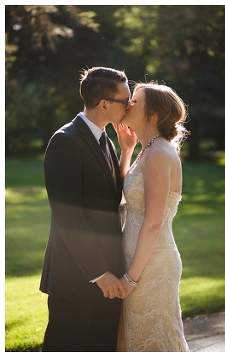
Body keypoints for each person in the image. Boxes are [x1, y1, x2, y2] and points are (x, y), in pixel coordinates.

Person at [40, 66, 130, 351]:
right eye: (124, 100)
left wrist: (127, 151)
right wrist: (99, 272)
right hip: (76, 277)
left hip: (108, 275)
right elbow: (68, 215)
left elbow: (112, 197)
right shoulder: (65, 141)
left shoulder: (106, 139)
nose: (129, 106)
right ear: (104, 104)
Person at [114, 82, 190, 351]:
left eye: (135, 101)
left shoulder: (159, 153)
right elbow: (123, 198)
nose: (128, 104)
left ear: (153, 114)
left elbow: (153, 222)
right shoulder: (147, 150)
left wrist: (130, 278)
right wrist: (126, 151)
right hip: (138, 260)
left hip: (152, 265)